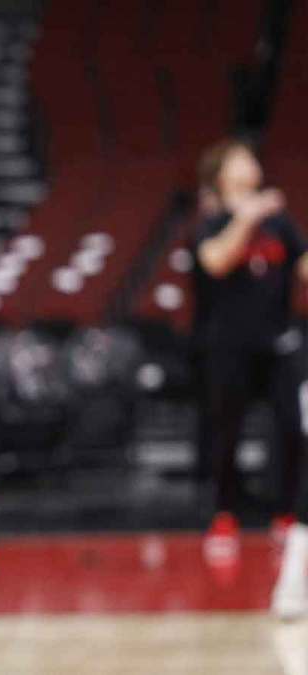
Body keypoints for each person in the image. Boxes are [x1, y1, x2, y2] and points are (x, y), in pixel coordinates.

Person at [191, 139, 308, 616]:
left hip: (279, 344)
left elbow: (302, 264)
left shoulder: (281, 223)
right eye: (240, 160)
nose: (251, 165)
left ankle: (287, 514)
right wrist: (247, 215)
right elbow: (215, 260)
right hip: (228, 346)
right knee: (228, 431)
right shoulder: (215, 223)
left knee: (290, 429)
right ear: (221, 174)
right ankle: (224, 516)